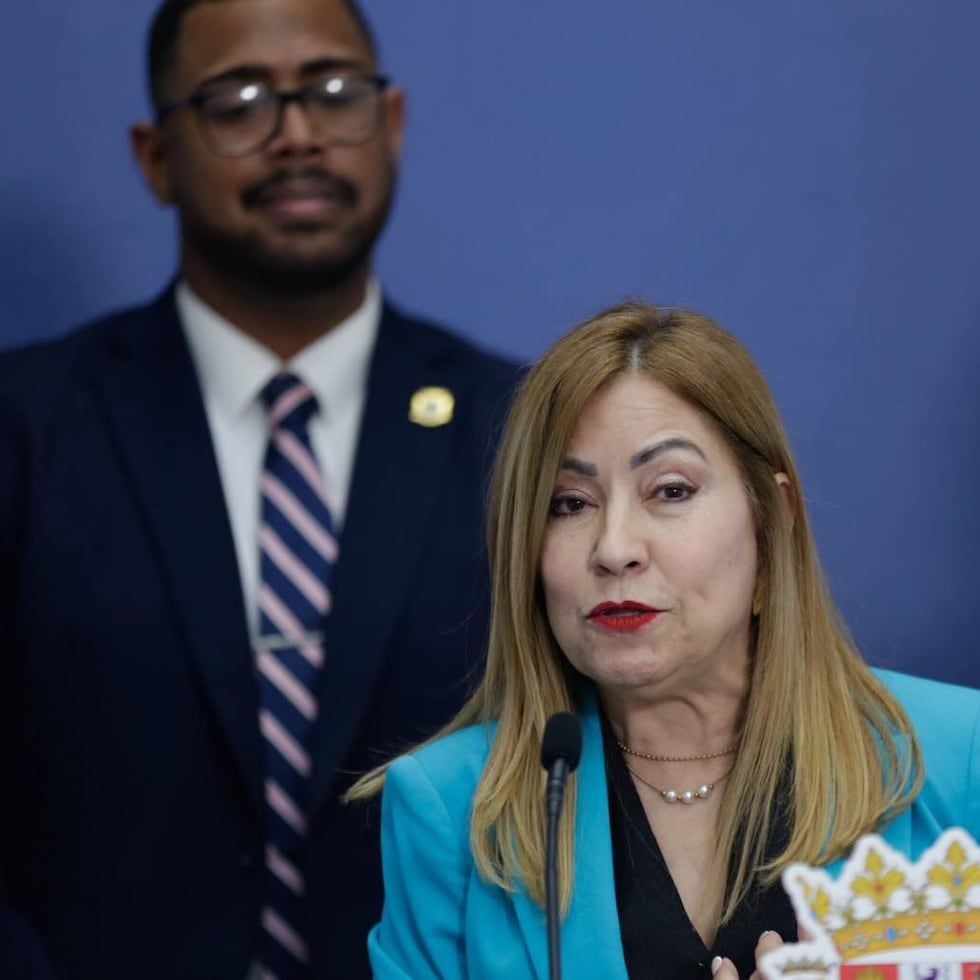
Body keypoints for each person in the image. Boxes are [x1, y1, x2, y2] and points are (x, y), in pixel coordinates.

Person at [0, 0, 517, 977]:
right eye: (237, 102)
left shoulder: (520, 433)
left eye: (335, 92)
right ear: (156, 155)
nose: (297, 134)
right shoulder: (26, 428)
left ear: (392, 123)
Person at [352, 302, 980, 979]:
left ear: (773, 519)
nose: (614, 548)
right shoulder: (448, 808)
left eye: (671, 490)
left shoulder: (960, 757)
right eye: (569, 503)